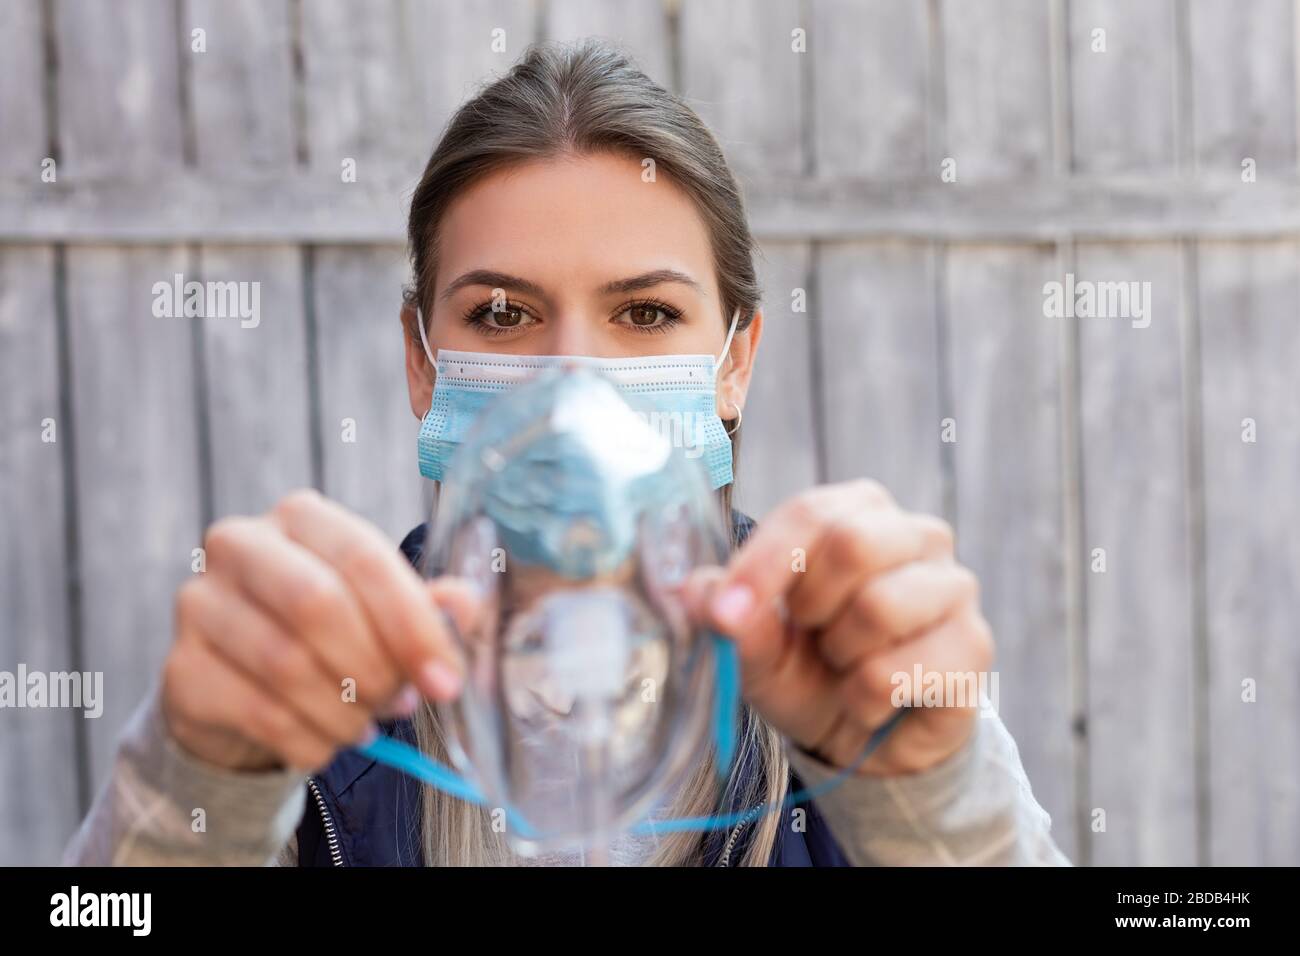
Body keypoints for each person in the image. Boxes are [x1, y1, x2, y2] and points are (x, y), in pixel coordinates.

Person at [63, 40, 1069, 867]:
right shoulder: (309, 712)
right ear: (422, 361)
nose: (574, 380)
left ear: (734, 364)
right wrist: (194, 788)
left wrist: (929, 806)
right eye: (502, 313)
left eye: (645, 311)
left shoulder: (856, 682)